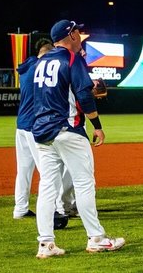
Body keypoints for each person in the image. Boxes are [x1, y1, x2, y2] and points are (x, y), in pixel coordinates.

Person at [31, 20, 125, 258]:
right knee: (84, 183)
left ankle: (46, 244)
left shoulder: (41, 61)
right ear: (70, 35)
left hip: (42, 131)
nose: (79, 35)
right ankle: (96, 239)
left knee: (47, 188)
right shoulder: (72, 59)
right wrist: (97, 125)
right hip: (67, 128)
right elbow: (84, 93)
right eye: (76, 32)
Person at [14, 42, 74, 229]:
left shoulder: (27, 68)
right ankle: (57, 210)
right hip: (35, 125)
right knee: (49, 171)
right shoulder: (42, 68)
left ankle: (20, 208)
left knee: (24, 170)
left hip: (21, 126)